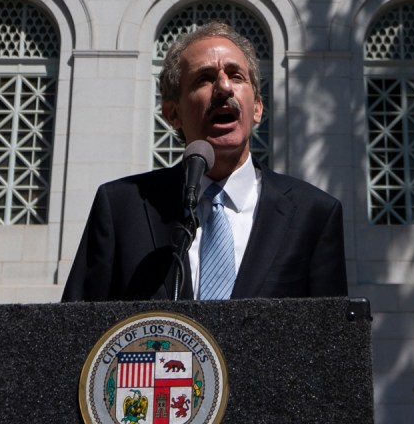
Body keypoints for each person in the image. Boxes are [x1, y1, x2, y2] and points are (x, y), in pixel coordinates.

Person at [62, 20, 347, 301]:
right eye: (205, 78)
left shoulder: (314, 215)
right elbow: (76, 334)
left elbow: (331, 341)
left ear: (258, 108)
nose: (224, 88)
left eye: (236, 76)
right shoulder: (121, 209)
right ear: (173, 113)